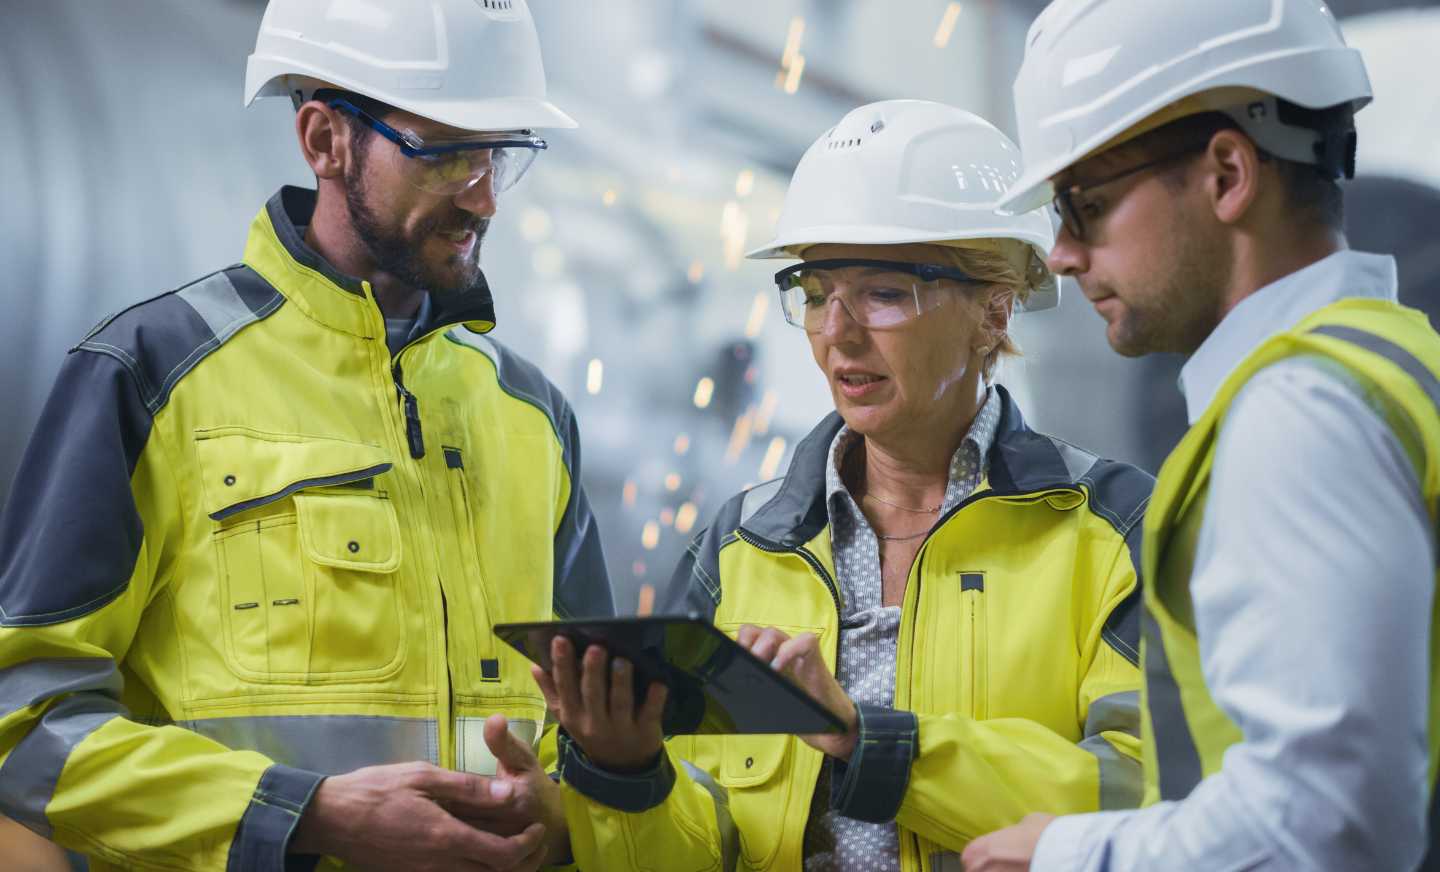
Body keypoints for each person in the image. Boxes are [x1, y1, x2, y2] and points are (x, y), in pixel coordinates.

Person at [0, 0, 612, 868]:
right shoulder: (151, 375)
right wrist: (305, 814)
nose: (483, 198)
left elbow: (595, 725)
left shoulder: (532, 416)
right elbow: (23, 721)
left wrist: (569, 810)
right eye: (444, 153)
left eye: (499, 154)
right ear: (324, 139)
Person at [535, 100, 1154, 871]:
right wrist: (626, 774)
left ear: (993, 312)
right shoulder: (742, 546)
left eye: (884, 293)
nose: (837, 332)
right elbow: (705, 847)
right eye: (818, 290)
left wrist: (868, 740)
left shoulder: (1113, 532)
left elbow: (1144, 800)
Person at [962, 1, 1440, 869]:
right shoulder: (1392, 359)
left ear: (1226, 173)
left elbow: (1331, 821)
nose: (1063, 252)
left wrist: (1068, 855)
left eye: (1088, 203)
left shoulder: (1296, 419)